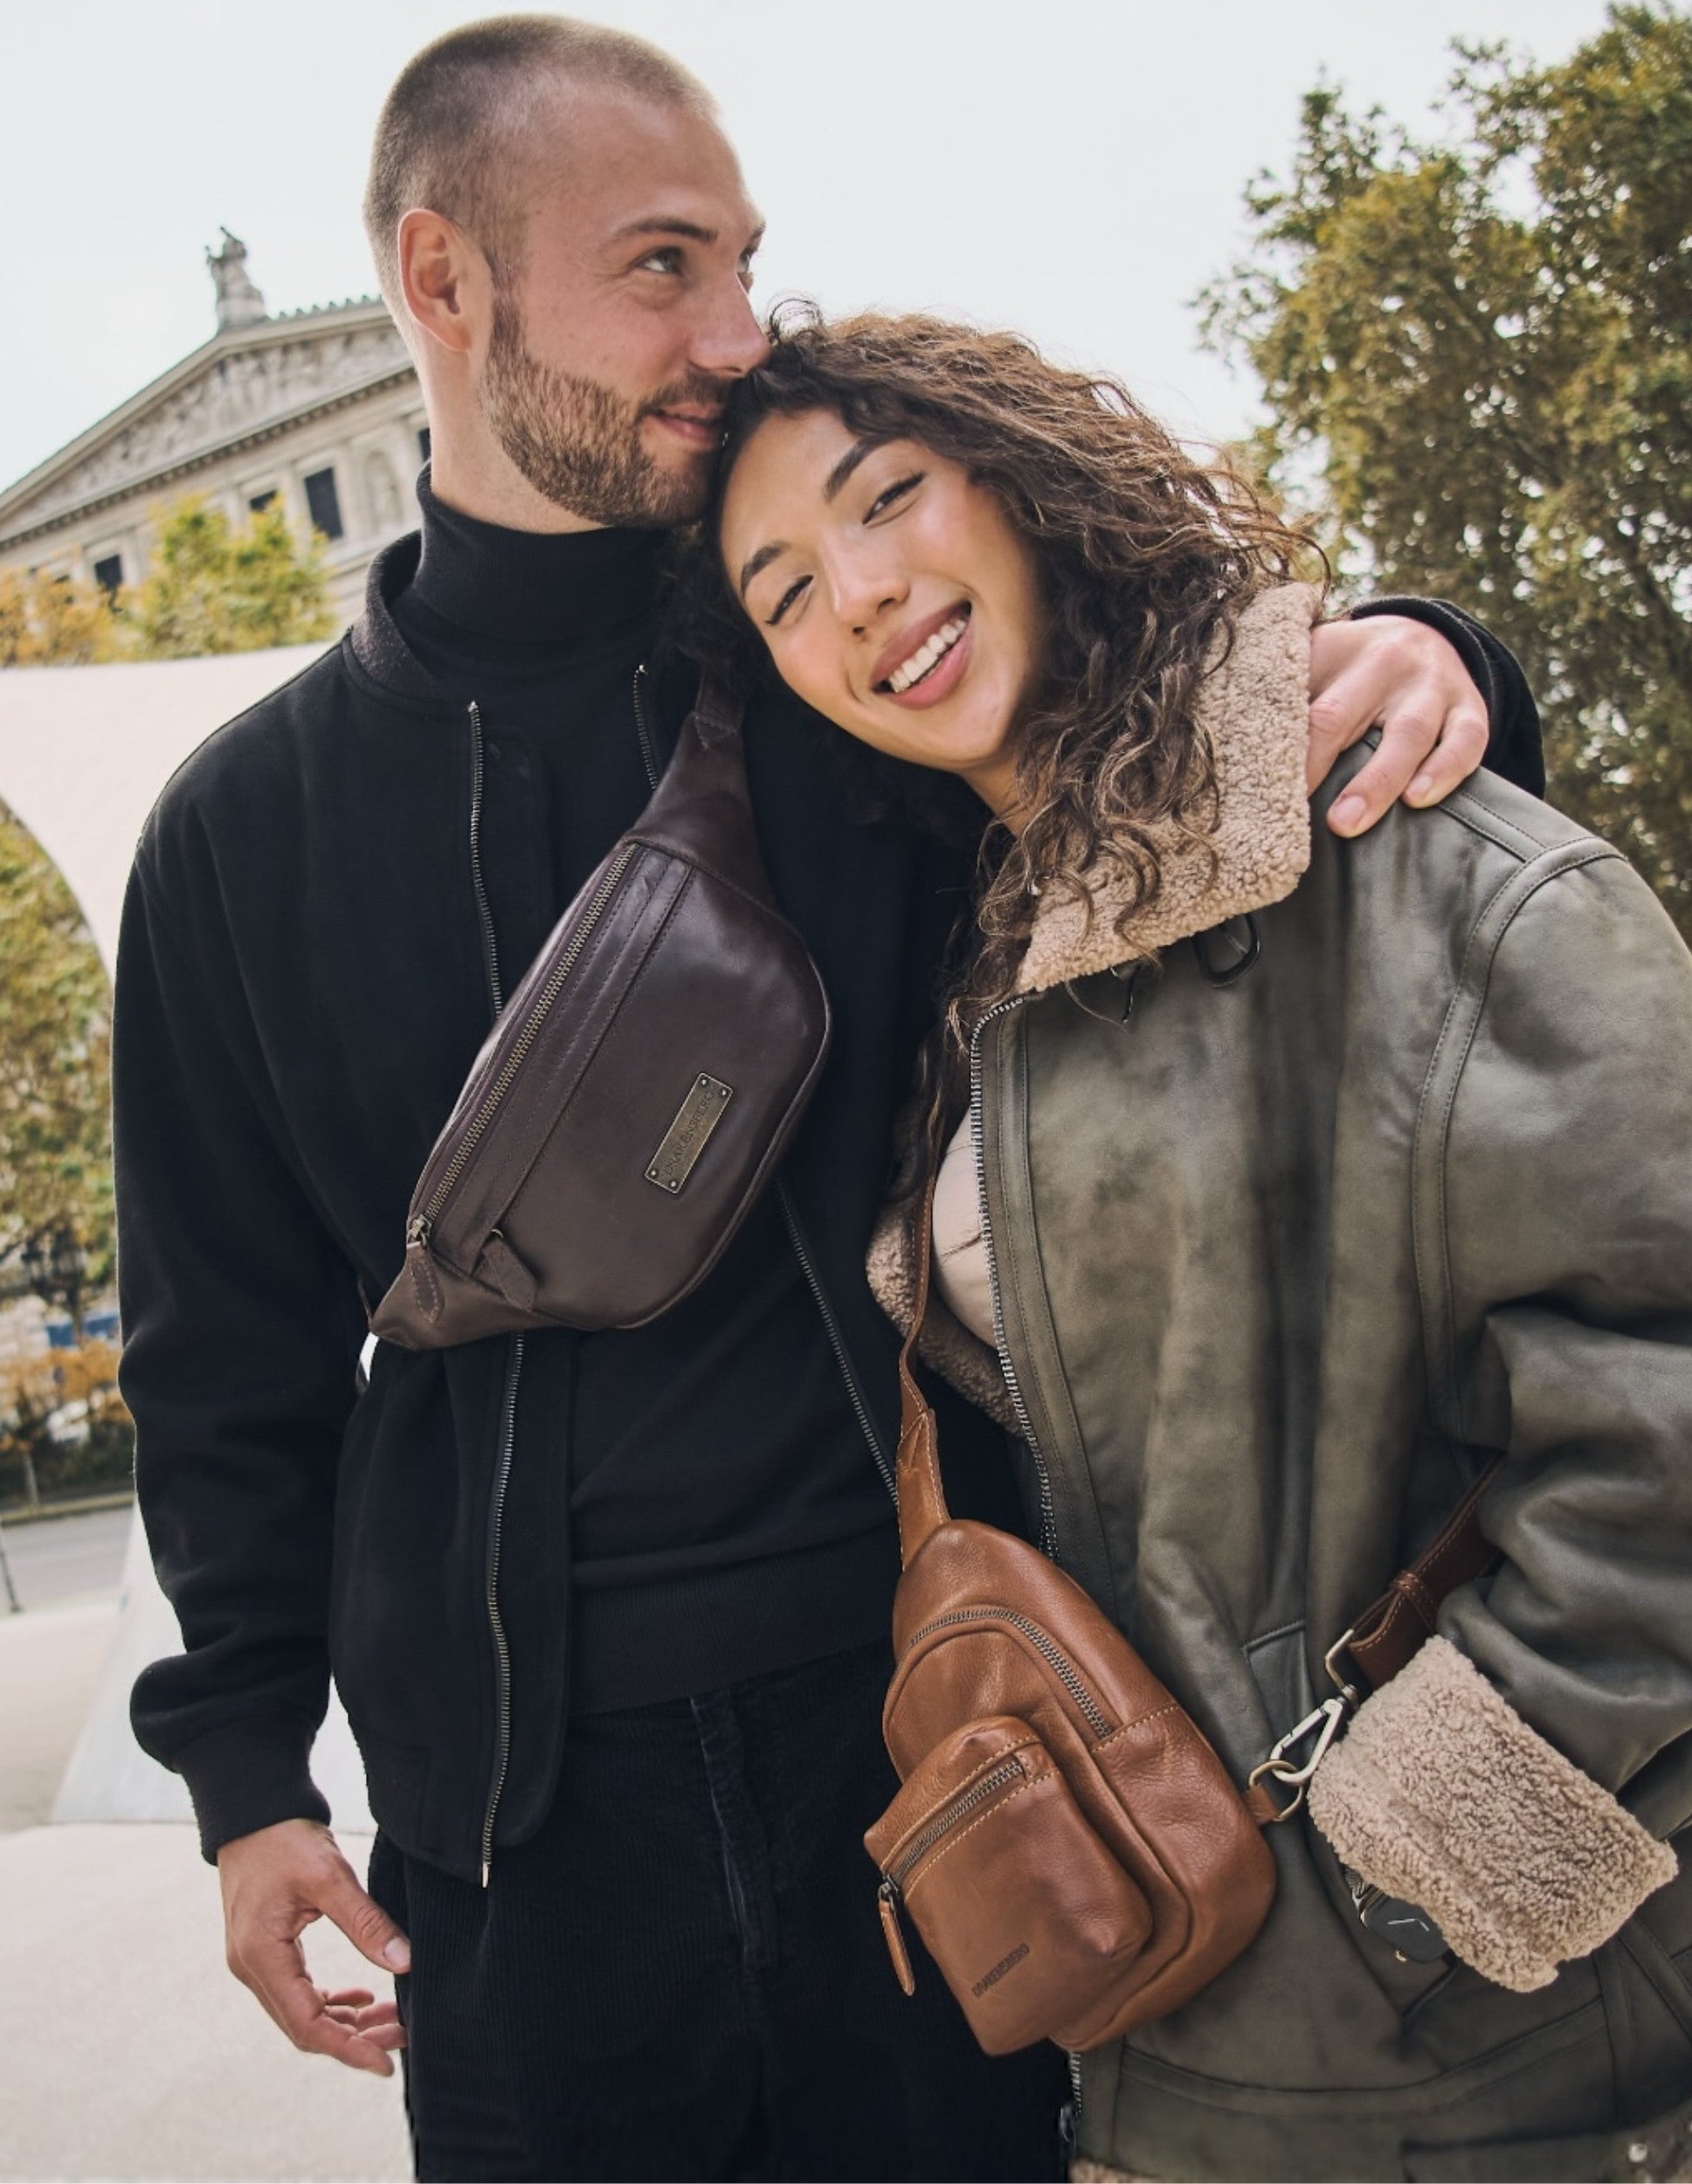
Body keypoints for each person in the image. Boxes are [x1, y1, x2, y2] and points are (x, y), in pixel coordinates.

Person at [114, 19, 1529, 2182]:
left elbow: (1179, 725)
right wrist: (244, 1784)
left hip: (942, 1729)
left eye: (745, 260)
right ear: (443, 281)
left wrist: (1427, 648)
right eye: (663, 266)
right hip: (513, 1846)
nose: (736, 332)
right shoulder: (236, 834)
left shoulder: (841, 676)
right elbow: (227, 1356)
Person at [699, 310, 1692, 2184]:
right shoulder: (965, 971)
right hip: (1202, 2066)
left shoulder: (1387, 842)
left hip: (1541, 2061)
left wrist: (1411, 1876)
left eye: (887, 497)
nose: (855, 595)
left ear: (1017, 485)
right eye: (780, 589)